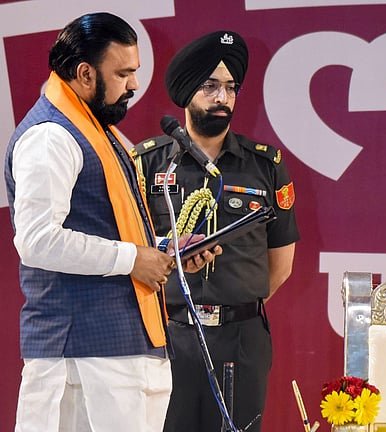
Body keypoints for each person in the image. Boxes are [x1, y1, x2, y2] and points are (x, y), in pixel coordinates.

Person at [4, 12, 216, 432]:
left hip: (122, 351)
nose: (134, 85)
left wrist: (164, 252)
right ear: (85, 74)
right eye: (123, 73)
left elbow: (105, 228)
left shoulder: (100, 132)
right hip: (81, 355)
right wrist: (133, 259)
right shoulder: (51, 136)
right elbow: (37, 240)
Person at [132, 30, 299, 432]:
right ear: (187, 92)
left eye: (230, 87)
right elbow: (130, 251)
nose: (222, 97)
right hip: (166, 334)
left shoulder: (265, 166)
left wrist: (229, 305)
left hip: (240, 340)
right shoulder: (148, 163)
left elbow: (280, 265)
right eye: (209, 86)